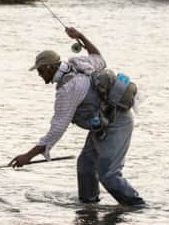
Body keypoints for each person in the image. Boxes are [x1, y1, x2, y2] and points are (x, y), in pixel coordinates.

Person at [9, 27, 145, 206]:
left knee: (109, 175)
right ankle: (88, 207)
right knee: (85, 167)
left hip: (117, 122)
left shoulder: (68, 90)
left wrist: (28, 156)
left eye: (40, 70)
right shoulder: (78, 64)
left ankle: (137, 206)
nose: (39, 75)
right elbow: (98, 58)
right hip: (103, 122)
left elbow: (56, 130)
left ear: (50, 67)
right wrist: (80, 37)